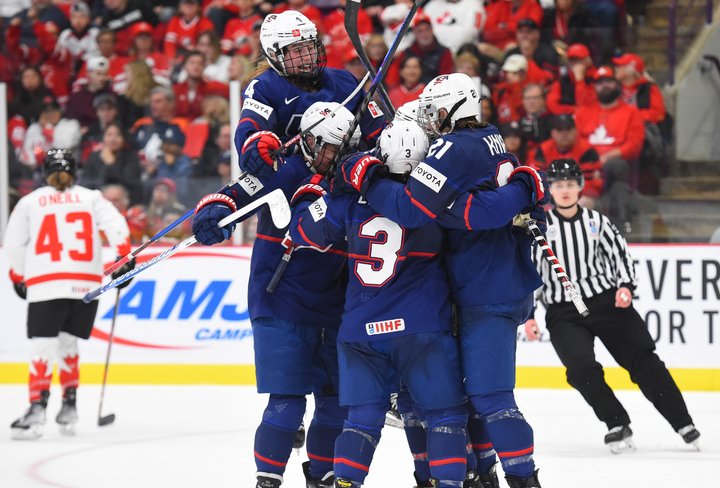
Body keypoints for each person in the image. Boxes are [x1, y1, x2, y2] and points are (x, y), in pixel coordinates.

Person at [196, 10, 384, 485]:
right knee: (286, 400)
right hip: (282, 285)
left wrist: (395, 129)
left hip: (341, 288)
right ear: (275, 56)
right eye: (294, 51)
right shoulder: (267, 94)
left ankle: (320, 478)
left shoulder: (346, 89)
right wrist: (218, 202)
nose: (306, 56)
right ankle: (268, 480)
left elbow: (386, 135)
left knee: (337, 400)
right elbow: (249, 161)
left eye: (310, 46)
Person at [346, 73, 549, 488]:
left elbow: (409, 208)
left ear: (458, 108)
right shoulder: (490, 136)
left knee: (489, 399)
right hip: (492, 282)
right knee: (466, 400)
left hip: (483, 289)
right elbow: (492, 205)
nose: (432, 121)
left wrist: (366, 178)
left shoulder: (453, 147)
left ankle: (519, 479)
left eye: (437, 111)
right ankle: (483, 472)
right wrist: (523, 191)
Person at [290, 120, 471, 488]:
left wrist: (317, 191)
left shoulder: (350, 195)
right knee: (445, 416)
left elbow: (302, 231)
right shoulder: (434, 199)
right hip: (420, 328)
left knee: (360, 419)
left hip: (361, 330)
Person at [523, 158, 701, 453]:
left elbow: (621, 256)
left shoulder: (598, 221)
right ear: (549, 189)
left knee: (644, 361)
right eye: (557, 185)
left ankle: (683, 422)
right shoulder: (539, 228)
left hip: (606, 302)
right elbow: (530, 274)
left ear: (580, 186)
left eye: (570, 184)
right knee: (580, 369)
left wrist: (625, 286)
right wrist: (529, 315)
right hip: (564, 312)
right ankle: (616, 422)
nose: (564, 190)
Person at [4, 149, 133, 440]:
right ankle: (69, 407)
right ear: (75, 172)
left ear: (44, 172)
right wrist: (123, 259)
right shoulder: (92, 197)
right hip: (85, 286)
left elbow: (13, 244)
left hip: (46, 283)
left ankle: (37, 408)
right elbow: (116, 226)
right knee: (68, 344)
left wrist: (18, 275)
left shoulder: (29, 202)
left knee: (43, 348)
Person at [530, 114, 603, 201]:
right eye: (559, 130)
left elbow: (592, 185)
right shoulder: (544, 149)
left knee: (582, 202)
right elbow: (537, 180)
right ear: (552, 133)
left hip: (581, 196)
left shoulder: (587, 151)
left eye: (568, 129)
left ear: (576, 131)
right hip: (551, 196)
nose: (564, 134)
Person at [81, 122, 143, 205]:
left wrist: (111, 164)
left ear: (123, 138)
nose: (112, 139)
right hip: (97, 199)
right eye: (109, 135)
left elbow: (130, 184)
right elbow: (86, 182)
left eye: (117, 135)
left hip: (123, 202)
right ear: (103, 137)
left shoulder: (131, 157)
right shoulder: (94, 157)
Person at [173, 51, 230, 120]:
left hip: (204, 127)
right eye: (192, 63)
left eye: (200, 63)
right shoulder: (175, 90)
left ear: (204, 67)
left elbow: (232, 94)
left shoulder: (212, 88)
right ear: (184, 66)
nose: (196, 66)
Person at [545, 43, 598, 115]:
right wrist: (573, 109)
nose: (575, 64)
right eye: (572, 60)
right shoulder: (562, 81)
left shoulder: (597, 78)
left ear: (588, 60)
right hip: (569, 120)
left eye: (579, 60)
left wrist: (580, 79)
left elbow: (586, 104)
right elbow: (551, 105)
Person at [504, 18, 559, 86]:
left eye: (528, 32)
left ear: (537, 34)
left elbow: (545, 82)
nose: (524, 35)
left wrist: (528, 58)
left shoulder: (549, 53)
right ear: (516, 34)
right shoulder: (511, 53)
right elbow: (503, 79)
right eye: (521, 31)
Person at [64, 56, 111, 129]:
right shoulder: (77, 98)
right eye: (98, 74)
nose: (102, 78)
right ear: (88, 74)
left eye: (104, 74)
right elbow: (68, 121)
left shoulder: (111, 96)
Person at [518, 83, 553, 149]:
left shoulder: (553, 122)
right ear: (523, 101)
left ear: (544, 100)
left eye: (535, 98)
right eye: (527, 98)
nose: (531, 102)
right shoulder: (518, 124)